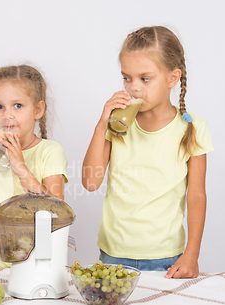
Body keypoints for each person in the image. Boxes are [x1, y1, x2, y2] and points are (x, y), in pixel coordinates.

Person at [82, 26, 213, 279]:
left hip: (166, 257)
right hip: (113, 255)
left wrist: (192, 254)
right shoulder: (117, 123)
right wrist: (101, 125)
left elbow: (196, 195)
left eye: (145, 78)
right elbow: (90, 182)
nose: (134, 88)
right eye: (126, 78)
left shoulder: (192, 127)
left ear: (172, 78)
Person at [0, 65, 68, 268]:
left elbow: (56, 211)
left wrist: (21, 168)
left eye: (18, 106)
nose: (6, 115)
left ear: (38, 110)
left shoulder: (50, 151)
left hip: (33, 266)